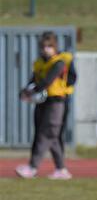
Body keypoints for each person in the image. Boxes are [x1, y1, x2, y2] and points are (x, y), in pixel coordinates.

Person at [16, 31, 74, 180]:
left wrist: (32, 92)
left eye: (49, 46)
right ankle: (61, 170)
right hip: (43, 102)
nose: (46, 50)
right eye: (43, 47)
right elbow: (34, 80)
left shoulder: (59, 62)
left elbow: (47, 81)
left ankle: (32, 167)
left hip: (57, 102)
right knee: (51, 136)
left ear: (55, 47)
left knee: (47, 133)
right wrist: (25, 91)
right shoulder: (40, 63)